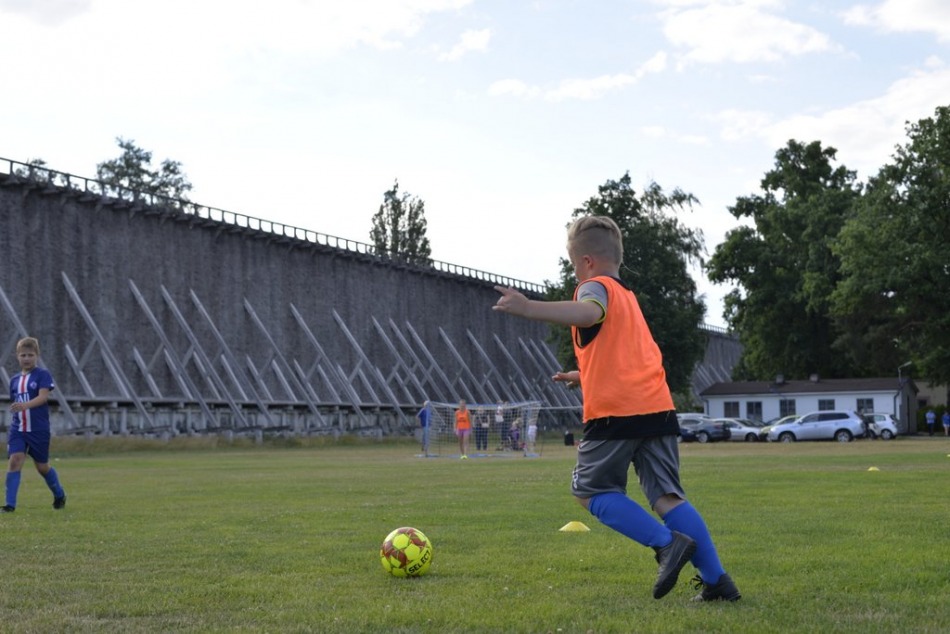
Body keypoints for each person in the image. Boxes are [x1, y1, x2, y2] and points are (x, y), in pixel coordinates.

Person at [492, 215, 739, 602]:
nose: (576, 273)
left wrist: (528, 307)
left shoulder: (594, 287)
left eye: (573, 265)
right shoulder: (627, 297)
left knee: (589, 491)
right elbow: (625, 358)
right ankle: (717, 581)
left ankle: (666, 544)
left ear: (587, 261)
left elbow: (590, 312)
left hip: (616, 414)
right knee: (667, 498)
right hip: (657, 409)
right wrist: (585, 374)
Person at [4, 337, 67, 513]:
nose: (27, 358)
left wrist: (25, 405)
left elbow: (43, 397)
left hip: (38, 430)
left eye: (30, 355)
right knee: (15, 460)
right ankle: (9, 505)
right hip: (18, 429)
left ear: (37, 356)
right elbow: (15, 402)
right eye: (23, 355)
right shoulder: (14, 380)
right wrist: (18, 408)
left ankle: (59, 494)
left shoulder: (42, 375)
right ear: (17, 356)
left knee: (42, 467)